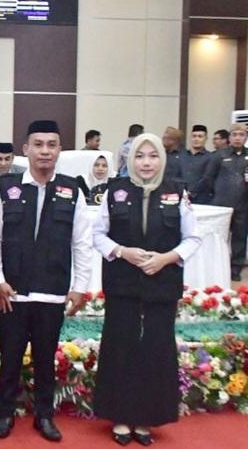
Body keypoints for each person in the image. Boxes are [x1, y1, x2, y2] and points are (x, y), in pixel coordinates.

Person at [0, 120, 92, 442]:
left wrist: (80, 287)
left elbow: (82, 243)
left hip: (52, 293)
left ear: (59, 150)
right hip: (13, 294)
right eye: (39, 144)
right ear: (26, 149)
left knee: (46, 362)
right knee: (10, 359)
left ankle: (44, 416)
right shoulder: (6, 188)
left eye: (51, 145)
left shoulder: (73, 190)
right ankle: (5, 414)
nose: (45, 151)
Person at [93, 133, 201, 446]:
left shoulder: (177, 192)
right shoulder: (115, 191)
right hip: (122, 285)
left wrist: (167, 258)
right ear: (130, 160)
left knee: (155, 351)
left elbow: (193, 239)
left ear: (162, 160)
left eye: (153, 156)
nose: (146, 163)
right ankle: (120, 416)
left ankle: (146, 418)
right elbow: (98, 235)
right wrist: (122, 252)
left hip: (161, 286)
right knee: (121, 347)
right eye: (140, 156)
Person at [205, 123, 248, 281]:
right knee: (218, 238)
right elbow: (209, 177)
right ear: (229, 137)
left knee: (239, 238)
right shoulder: (219, 155)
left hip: (243, 204)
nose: (237, 138)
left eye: (241, 135)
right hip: (221, 205)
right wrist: (218, 193)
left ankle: (235, 269)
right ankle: (215, 268)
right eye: (234, 134)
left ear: (246, 137)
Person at [182, 125, 211, 203]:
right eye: (194, 136)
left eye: (200, 136)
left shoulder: (211, 157)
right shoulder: (182, 155)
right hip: (181, 197)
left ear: (206, 138)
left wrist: (191, 192)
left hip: (201, 199)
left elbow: (207, 178)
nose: (196, 139)